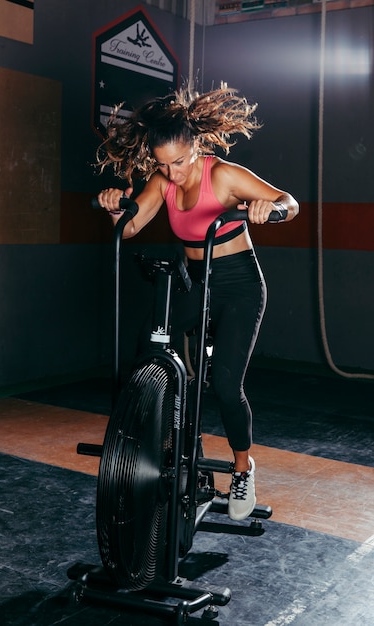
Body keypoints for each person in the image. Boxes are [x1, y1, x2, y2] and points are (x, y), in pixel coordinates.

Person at [97, 85, 299, 521]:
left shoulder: (222, 175)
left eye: (180, 162)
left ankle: (242, 468)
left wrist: (271, 210)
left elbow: (290, 201)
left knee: (226, 387)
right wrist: (116, 210)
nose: (173, 173)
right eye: (164, 165)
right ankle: (170, 444)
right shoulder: (161, 181)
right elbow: (131, 228)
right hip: (195, 281)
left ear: (196, 148)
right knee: (147, 348)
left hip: (239, 284)